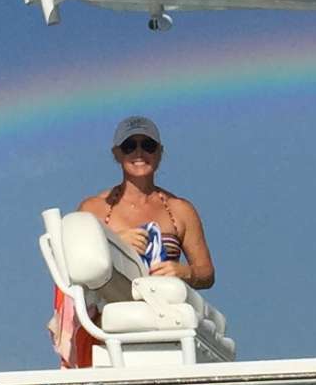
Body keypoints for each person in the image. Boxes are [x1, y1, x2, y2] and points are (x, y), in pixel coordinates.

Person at [78, 116, 215, 289]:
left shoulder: (180, 210)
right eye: (129, 147)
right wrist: (113, 244)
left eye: (148, 145)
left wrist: (186, 273)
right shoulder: (93, 209)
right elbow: (74, 265)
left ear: (160, 152)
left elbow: (206, 273)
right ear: (117, 153)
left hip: (164, 310)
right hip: (109, 310)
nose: (139, 153)